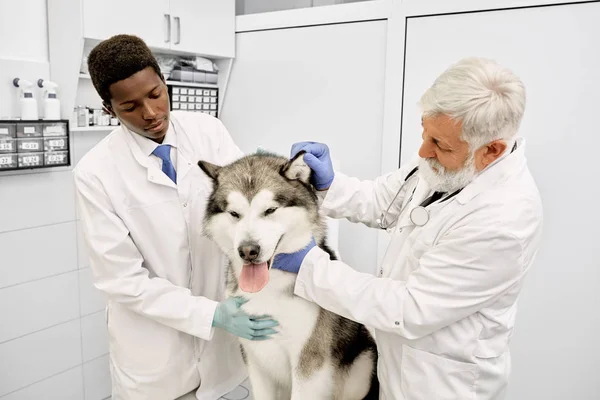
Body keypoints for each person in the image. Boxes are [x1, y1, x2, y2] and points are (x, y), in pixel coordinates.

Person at [271, 57, 543, 399]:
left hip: (440, 384)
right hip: (397, 366)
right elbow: (387, 201)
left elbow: (410, 309)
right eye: (424, 132)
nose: (422, 151)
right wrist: (330, 185)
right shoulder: (451, 159)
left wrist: (311, 267)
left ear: (492, 150)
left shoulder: (503, 221)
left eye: (440, 145)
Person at [73, 34, 277, 400]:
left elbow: (241, 209)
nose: (150, 113)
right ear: (108, 109)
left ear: (164, 82)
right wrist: (211, 314)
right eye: (130, 106)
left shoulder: (208, 131)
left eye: (155, 94)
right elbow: (120, 279)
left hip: (221, 352)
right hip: (153, 354)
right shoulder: (95, 172)